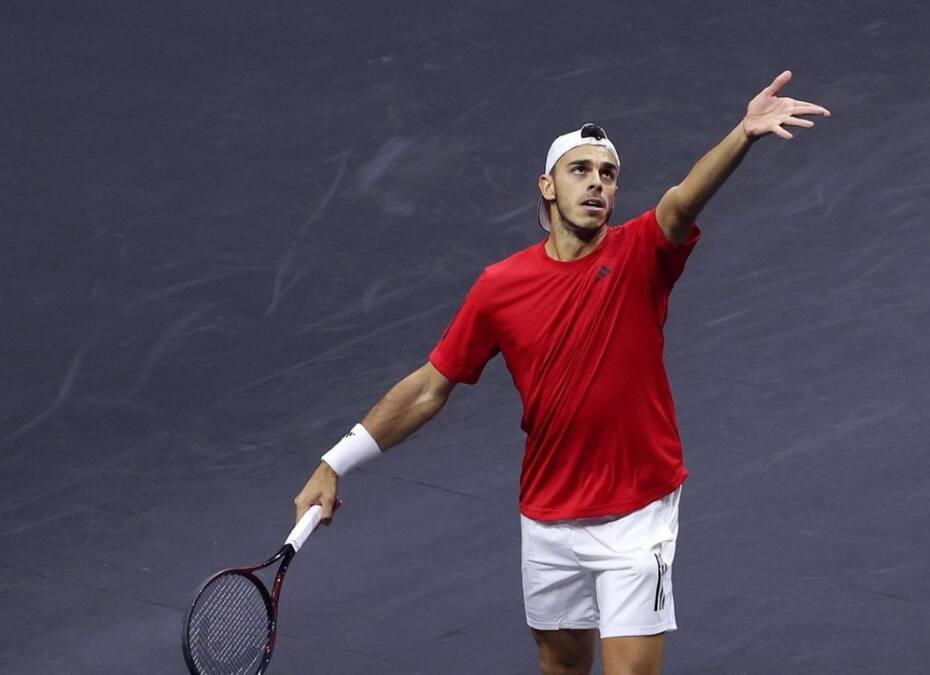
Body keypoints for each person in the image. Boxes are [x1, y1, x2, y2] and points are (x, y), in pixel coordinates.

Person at [293, 70, 829, 675]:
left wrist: (744, 133)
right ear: (547, 187)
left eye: (608, 175)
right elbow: (427, 388)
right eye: (581, 171)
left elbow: (683, 198)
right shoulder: (500, 287)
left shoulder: (639, 254)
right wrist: (335, 462)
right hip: (549, 514)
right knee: (562, 664)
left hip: (637, 511)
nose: (597, 184)